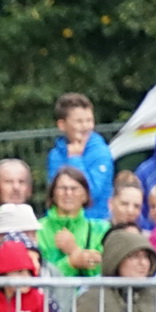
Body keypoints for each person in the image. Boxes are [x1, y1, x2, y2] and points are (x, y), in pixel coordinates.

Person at [46, 92, 114, 223]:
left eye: (89, 120)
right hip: (62, 223)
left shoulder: (101, 152)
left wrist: (75, 159)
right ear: (62, 125)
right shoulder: (55, 155)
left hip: (94, 223)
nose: (86, 127)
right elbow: (53, 194)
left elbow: (91, 193)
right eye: (79, 121)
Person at [36, 166, 106, 277]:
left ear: (85, 196)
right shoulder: (38, 229)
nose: (68, 193)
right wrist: (70, 263)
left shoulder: (101, 229)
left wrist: (75, 251)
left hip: (89, 294)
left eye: (74, 189)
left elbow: (104, 267)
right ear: (53, 194)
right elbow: (40, 272)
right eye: (63, 188)